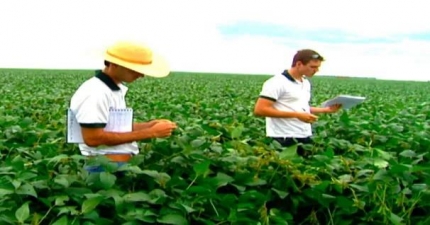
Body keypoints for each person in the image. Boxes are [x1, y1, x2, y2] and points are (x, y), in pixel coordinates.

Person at [69, 40, 177, 173]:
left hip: (113, 166)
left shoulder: (112, 89)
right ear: (114, 65)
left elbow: (113, 128)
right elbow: (93, 138)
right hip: (103, 169)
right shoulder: (95, 92)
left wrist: (149, 125)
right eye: (135, 70)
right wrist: (151, 133)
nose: (141, 75)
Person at [253, 49, 341, 157]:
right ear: (299, 64)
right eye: (313, 67)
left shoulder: (305, 82)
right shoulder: (277, 82)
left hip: (304, 134)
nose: (316, 70)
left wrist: (325, 110)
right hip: (283, 137)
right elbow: (260, 110)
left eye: (318, 67)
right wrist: (296, 115)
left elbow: (299, 108)